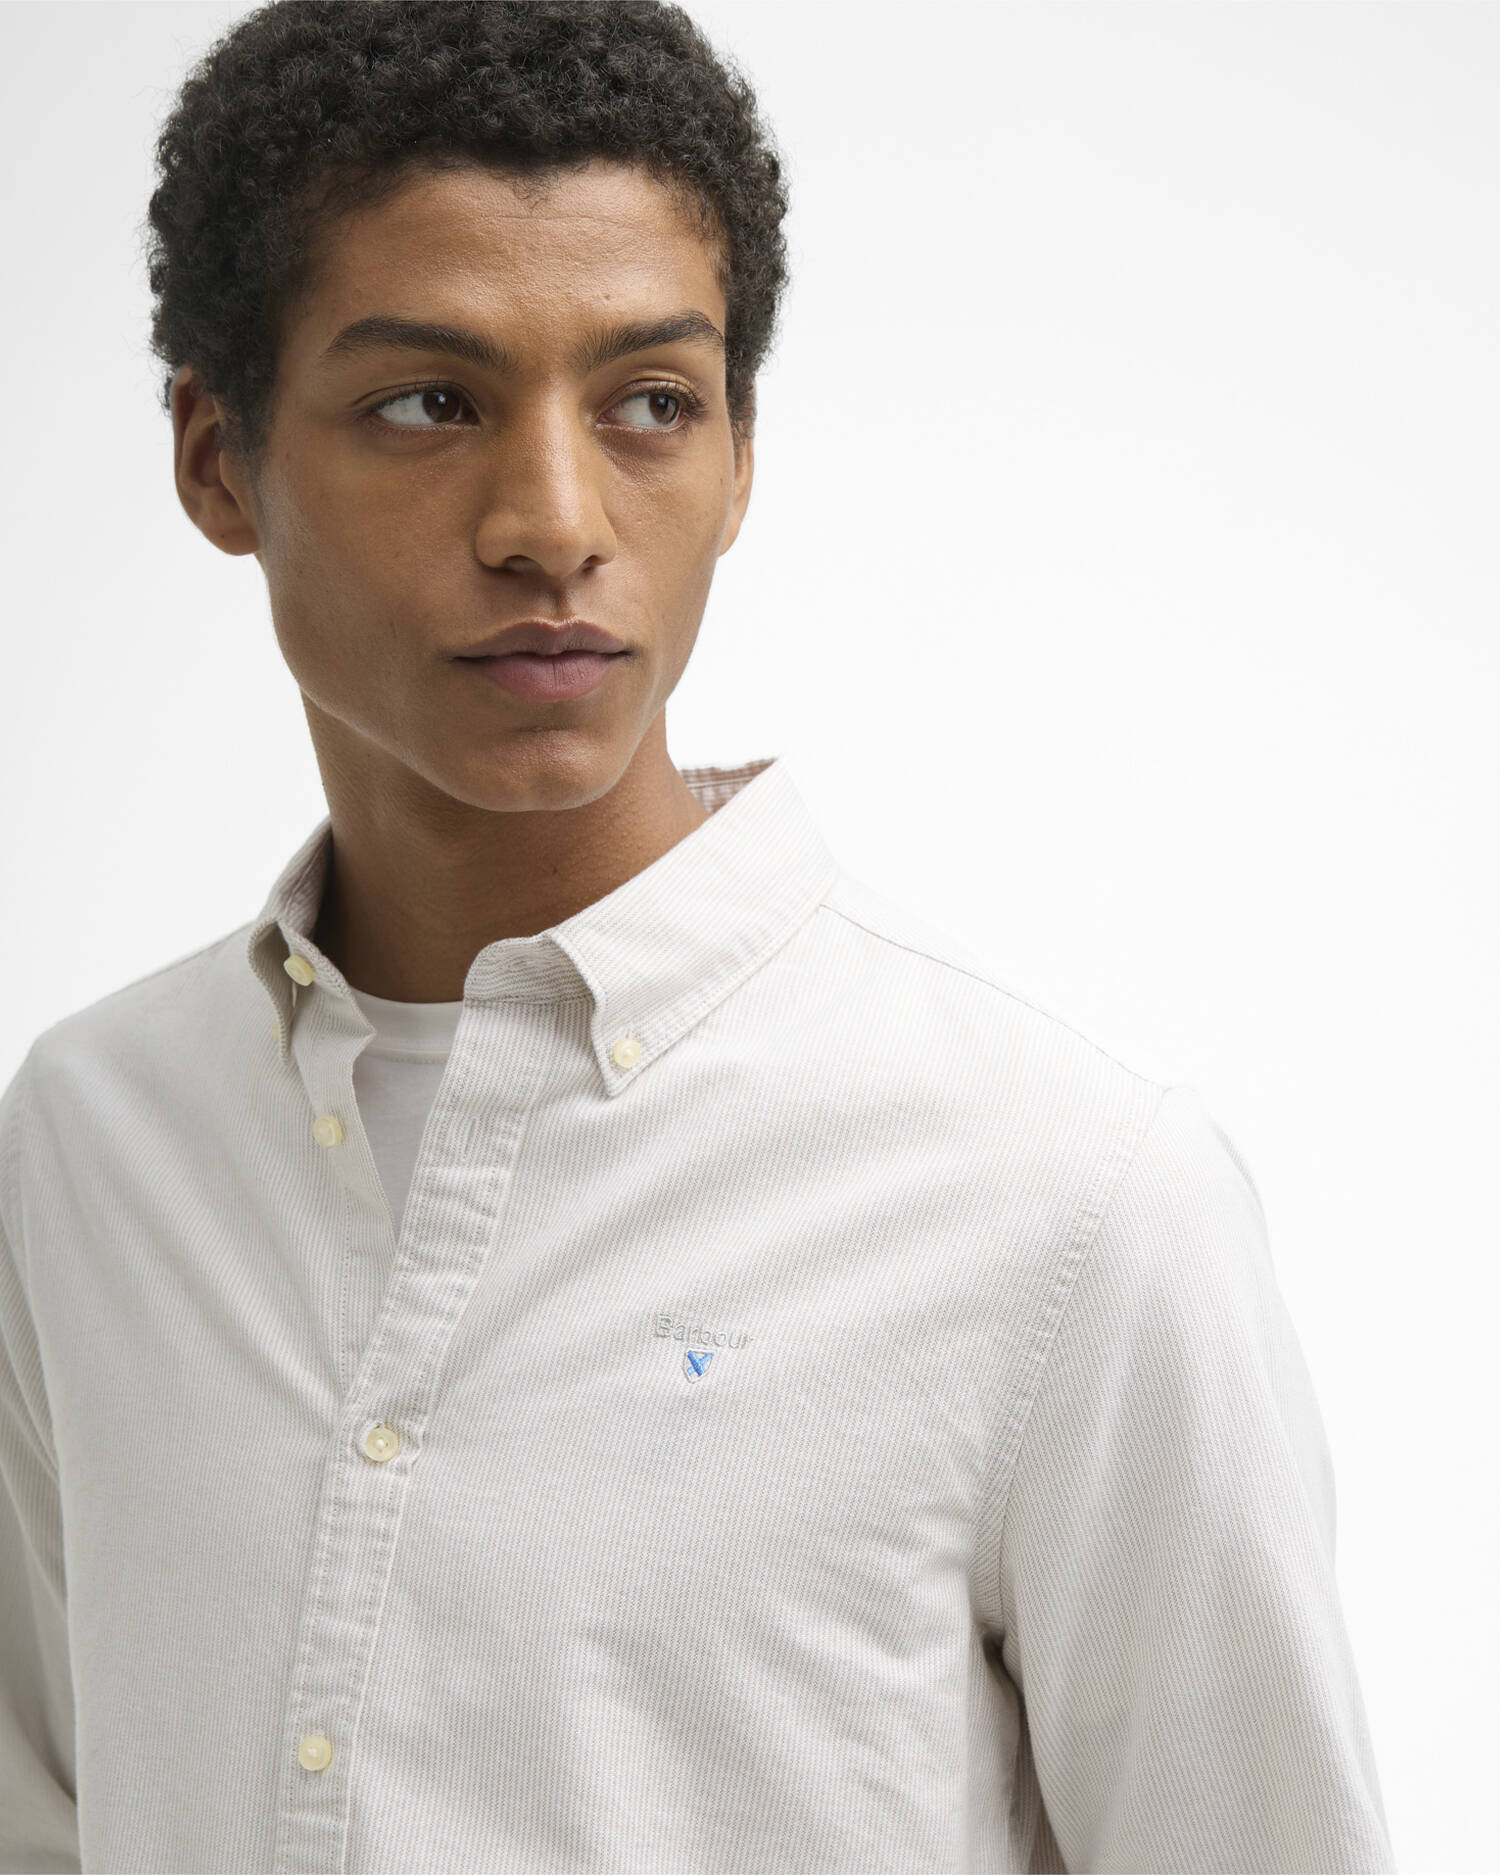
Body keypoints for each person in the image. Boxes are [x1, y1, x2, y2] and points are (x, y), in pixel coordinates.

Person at [0, 3, 1397, 1871]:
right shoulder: (88, 1144)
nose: (552, 523)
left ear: (740, 459)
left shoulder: (1066, 1202)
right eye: (429, 404)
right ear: (216, 461)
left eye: (651, 402)